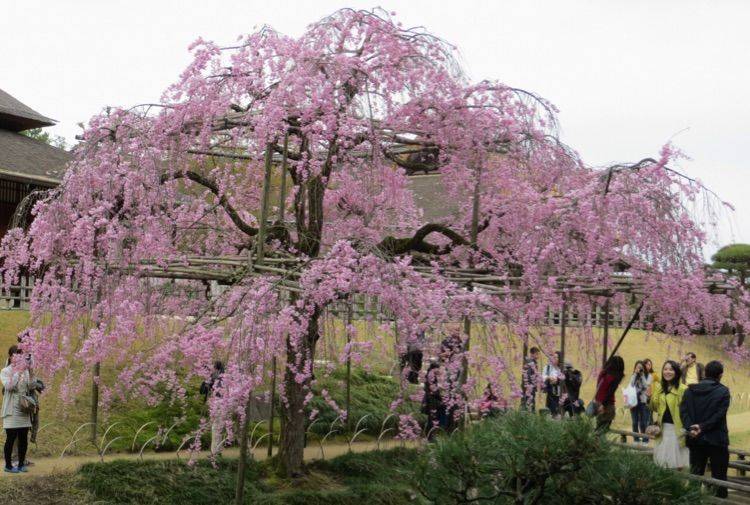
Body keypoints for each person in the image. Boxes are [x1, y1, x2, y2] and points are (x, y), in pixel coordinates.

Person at [680, 360, 731, 499]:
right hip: (717, 440)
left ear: (704, 373)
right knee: (719, 478)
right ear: (720, 375)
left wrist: (692, 428)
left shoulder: (689, 391)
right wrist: (702, 427)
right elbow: (718, 416)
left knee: (695, 476)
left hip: (695, 439)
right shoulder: (723, 391)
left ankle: (692, 501)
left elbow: (683, 412)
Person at [649, 360, 689, 468]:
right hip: (663, 429)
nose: (667, 372)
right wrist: (653, 395)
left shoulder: (683, 389)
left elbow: (687, 410)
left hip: (677, 430)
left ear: (676, 372)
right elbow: (654, 408)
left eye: (671, 369)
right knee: (662, 463)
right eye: (665, 369)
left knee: (678, 464)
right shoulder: (660, 388)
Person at [1, 346, 33, 474]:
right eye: (15, 355)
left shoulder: (25, 371)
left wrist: (31, 372)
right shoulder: (5, 371)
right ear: (10, 357)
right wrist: (18, 372)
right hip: (11, 410)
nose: (18, 358)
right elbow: (9, 386)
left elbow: (30, 386)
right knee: (11, 437)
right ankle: (8, 465)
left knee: (23, 437)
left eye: (20, 355)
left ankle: (20, 464)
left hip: (23, 409)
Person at [593, 355, 625, 431]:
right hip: (607, 405)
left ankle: (595, 441)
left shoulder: (603, 373)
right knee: (602, 430)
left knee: (599, 428)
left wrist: (600, 403)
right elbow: (610, 392)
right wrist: (603, 405)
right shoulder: (615, 377)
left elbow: (599, 388)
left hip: (599, 403)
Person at [200, 360, 225, 455]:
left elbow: (203, 390)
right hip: (219, 403)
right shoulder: (219, 376)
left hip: (219, 403)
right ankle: (216, 451)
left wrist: (206, 382)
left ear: (215, 368)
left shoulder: (217, 377)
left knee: (216, 427)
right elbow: (203, 390)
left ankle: (215, 451)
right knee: (217, 426)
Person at [423, 361, 446, 439]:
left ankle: (430, 436)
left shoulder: (431, 375)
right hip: (431, 401)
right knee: (432, 418)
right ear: (434, 368)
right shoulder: (430, 376)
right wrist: (439, 389)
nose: (438, 370)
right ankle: (430, 437)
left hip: (431, 400)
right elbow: (431, 390)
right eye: (437, 368)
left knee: (432, 418)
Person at [628, 361, 650, 443]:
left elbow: (645, 386)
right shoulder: (633, 376)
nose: (639, 369)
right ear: (635, 368)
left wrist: (642, 375)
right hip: (633, 402)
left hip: (642, 402)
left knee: (643, 422)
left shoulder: (645, 376)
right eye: (637, 367)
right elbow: (631, 385)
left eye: (641, 367)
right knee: (634, 422)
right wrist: (635, 374)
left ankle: (645, 440)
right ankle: (636, 440)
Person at [542, 352, 564, 418]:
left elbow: (564, 378)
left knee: (558, 407)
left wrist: (557, 379)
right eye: (553, 357)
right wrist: (549, 377)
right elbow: (543, 377)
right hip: (550, 391)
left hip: (559, 392)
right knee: (550, 407)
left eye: (556, 357)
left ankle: (557, 415)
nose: (554, 359)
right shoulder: (547, 367)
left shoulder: (561, 368)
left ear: (559, 359)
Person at [521, 347, 540, 412]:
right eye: (536, 354)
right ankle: (530, 414)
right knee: (529, 402)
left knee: (528, 401)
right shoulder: (530, 363)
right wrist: (530, 385)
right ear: (532, 354)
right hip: (529, 386)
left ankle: (528, 413)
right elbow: (528, 375)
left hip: (530, 386)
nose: (538, 356)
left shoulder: (532, 362)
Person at [642, 358, 657, 426]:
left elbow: (661, 381)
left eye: (650, 364)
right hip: (642, 397)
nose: (648, 366)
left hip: (650, 397)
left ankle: (650, 429)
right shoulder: (641, 374)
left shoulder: (653, 374)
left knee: (650, 415)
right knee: (643, 415)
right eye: (647, 364)